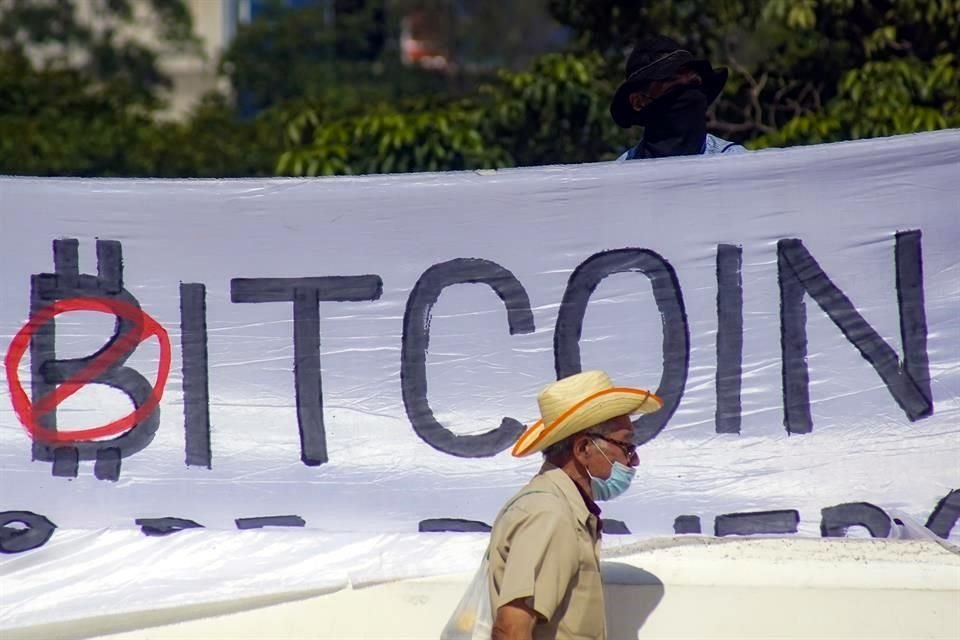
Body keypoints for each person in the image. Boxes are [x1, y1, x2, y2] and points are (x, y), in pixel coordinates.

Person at [487, 370, 663, 640]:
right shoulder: (550, 514)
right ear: (583, 450)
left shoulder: (561, 508)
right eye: (627, 445)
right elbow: (511, 628)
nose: (634, 460)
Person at [610, 35, 746, 160]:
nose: (690, 97)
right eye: (675, 89)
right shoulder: (621, 177)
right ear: (639, 102)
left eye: (694, 85)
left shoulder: (733, 162)